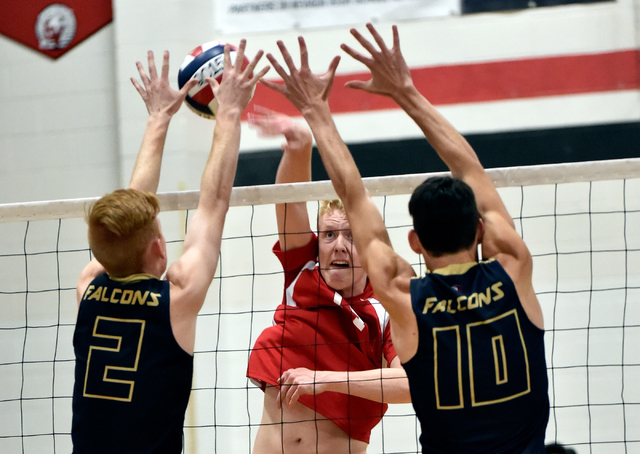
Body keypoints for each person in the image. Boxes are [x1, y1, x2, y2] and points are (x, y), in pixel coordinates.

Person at [260, 23, 549, 453]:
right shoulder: (513, 267)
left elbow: (354, 196)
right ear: (481, 231)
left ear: (413, 242)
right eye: (329, 235)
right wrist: (406, 91)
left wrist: (318, 111)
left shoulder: (401, 296)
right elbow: (470, 169)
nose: (340, 244)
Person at [71, 43, 269, 453]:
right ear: (159, 248)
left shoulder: (89, 286)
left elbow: (132, 210)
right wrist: (230, 111)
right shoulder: (175, 299)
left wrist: (158, 118)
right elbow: (214, 202)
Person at [246, 106, 410, 453]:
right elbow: (290, 200)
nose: (339, 245)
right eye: (329, 235)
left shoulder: (386, 305)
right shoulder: (301, 272)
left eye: (351, 236)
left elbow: (411, 385)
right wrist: (300, 146)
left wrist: (323, 381)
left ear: (368, 247)